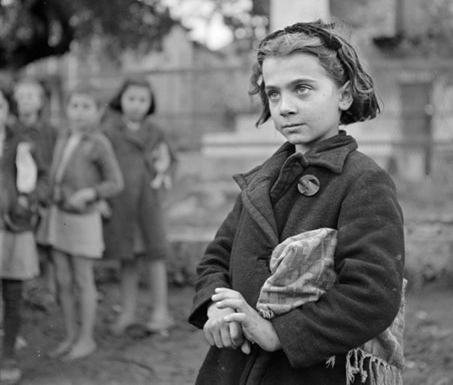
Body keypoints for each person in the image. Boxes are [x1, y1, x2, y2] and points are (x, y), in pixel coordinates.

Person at [188, 20, 405, 384]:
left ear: (344, 95)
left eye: (302, 89)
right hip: (235, 367)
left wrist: (280, 334)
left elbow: (372, 293)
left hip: (312, 372)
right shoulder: (260, 180)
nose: (284, 107)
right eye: (273, 94)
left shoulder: (363, 181)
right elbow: (215, 260)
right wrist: (217, 308)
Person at [41, 84, 124, 361]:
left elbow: (115, 182)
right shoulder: (64, 136)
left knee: (82, 279)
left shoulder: (98, 143)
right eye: (74, 106)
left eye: (86, 107)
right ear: (67, 110)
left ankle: (86, 338)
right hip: (59, 217)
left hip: (83, 221)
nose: (79, 113)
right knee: (63, 280)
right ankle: (69, 335)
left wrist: (91, 193)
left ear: (97, 112)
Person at [102, 76, 176, 335]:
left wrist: (163, 171)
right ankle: (128, 311)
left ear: (150, 103)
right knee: (127, 257)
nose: (136, 105)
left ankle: (160, 311)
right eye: (131, 98)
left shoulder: (156, 132)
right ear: (121, 100)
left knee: (155, 255)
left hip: (148, 202)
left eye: (142, 100)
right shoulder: (110, 132)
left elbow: (170, 161)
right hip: (121, 203)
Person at [0, 85, 49, 384]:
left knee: (13, 294)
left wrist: (28, 200)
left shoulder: (22, 142)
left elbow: (43, 178)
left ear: (8, 110)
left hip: (14, 229)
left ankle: (7, 356)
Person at [13, 77, 58, 308]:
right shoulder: (12, 129)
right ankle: (25, 290)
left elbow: (52, 165)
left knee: (47, 246)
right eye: (20, 96)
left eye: (30, 96)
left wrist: (45, 195)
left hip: (44, 196)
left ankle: (49, 290)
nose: (25, 101)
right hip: (18, 198)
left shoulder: (49, 131)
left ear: (40, 102)